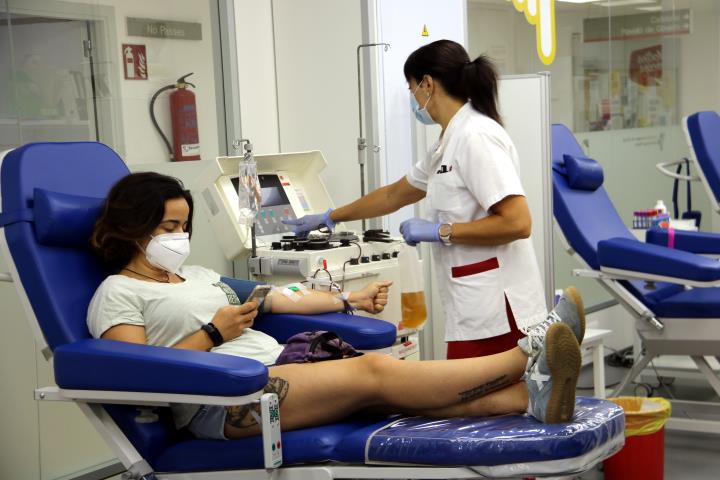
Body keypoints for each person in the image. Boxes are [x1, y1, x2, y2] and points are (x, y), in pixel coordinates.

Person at [87, 171, 585, 441]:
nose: (181, 237)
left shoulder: (196, 276)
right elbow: (139, 382)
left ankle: (528, 399)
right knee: (374, 373)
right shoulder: (118, 293)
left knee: (391, 397)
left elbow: (280, 298)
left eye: (185, 226)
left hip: (276, 369)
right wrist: (214, 335)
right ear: (133, 227)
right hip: (225, 402)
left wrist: (349, 298)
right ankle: (526, 356)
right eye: (169, 228)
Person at [283, 40, 558, 360]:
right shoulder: (447, 142)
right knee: (473, 400)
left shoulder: (476, 137)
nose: (413, 97)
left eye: (411, 87)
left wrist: (440, 231)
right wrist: (330, 216)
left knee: (480, 400)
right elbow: (393, 194)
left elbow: (518, 222)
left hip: (498, 306)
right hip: (475, 306)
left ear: (427, 84)